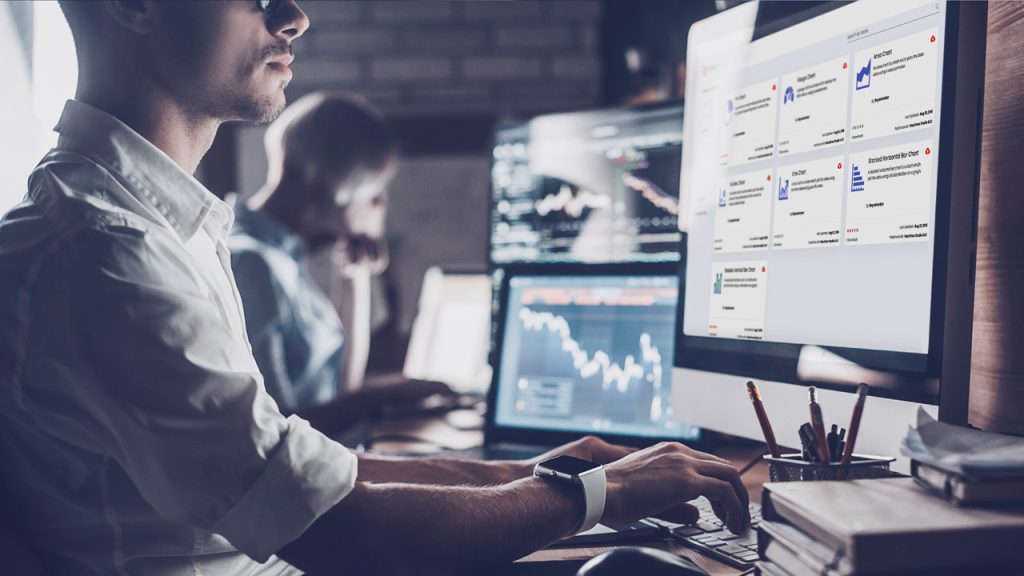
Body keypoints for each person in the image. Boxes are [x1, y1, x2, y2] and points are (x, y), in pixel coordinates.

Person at [0, 2, 750, 575]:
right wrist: (601, 497)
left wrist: (539, 473)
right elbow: (342, 527)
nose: (294, 16)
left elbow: (311, 473)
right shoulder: (107, 252)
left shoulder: (153, 228)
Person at [229, 91, 450, 436]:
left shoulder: (284, 255)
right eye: (375, 187)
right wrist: (387, 393)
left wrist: (352, 277)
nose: (378, 202)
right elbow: (278, 429)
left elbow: (342, 386)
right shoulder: (252, 262)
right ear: (335, 181)